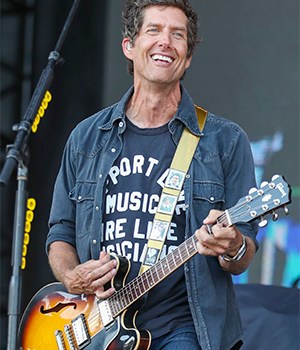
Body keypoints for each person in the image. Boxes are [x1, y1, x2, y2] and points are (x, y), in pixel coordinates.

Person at [46, 1, 258, 349]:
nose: (166, 42)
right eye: (154, 31)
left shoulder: (225, 140)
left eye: (177, 35)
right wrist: (71, 276)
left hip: (183, 326)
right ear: (129, 47)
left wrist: (232, 246)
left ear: (187, 57)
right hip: (97, 325)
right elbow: (60, 231)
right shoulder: (86, 138)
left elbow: (243, 253)